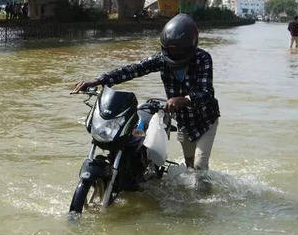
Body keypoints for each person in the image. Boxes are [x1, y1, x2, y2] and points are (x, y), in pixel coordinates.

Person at [72, 13, 220, 171]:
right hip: (184, 121)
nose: (173, 54)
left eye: (178, 51)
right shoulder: (163, 60)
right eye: (170, 50)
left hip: (205, 121)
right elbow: (134, 69)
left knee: (199, 167)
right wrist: (99, 80)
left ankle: (205, 195)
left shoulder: (202, 59)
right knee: (190, 166)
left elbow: (206, 92)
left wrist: (184, 100)